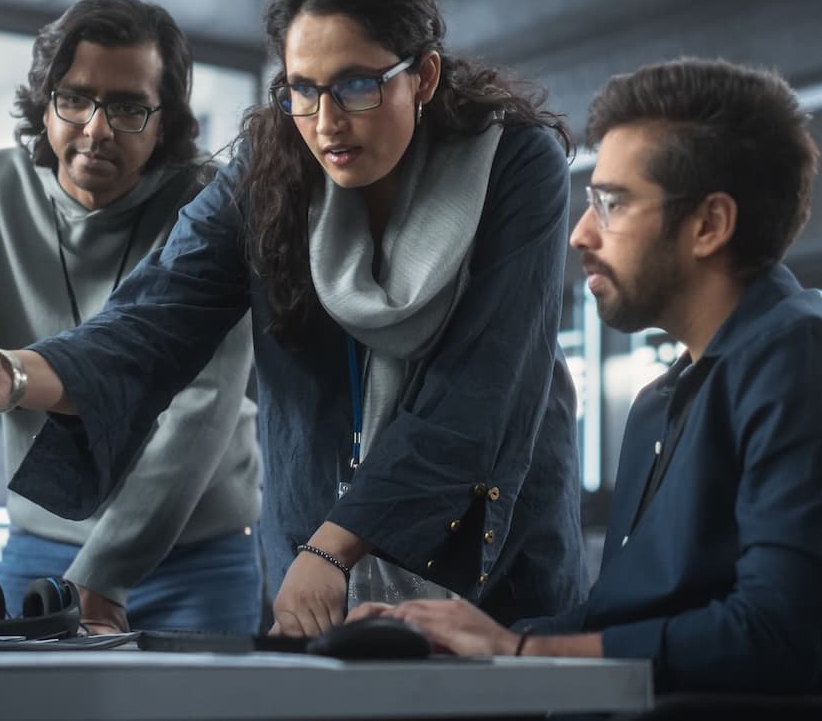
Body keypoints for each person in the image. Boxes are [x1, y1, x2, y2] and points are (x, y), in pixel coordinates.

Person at [0, 0, 589, 636]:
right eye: (302, 89)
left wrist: (335, 545)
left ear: (422, 76)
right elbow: (151, 320)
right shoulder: (272, 168)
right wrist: (13, 375)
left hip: (478, 553)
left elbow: (479, 391)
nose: (326, 121)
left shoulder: (515, 163)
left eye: (356, 85)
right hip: (311, 555)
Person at [348, 57, 822, 696]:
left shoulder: (796, 352)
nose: (579, 233)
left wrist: (519, 648)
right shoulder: (662, 399)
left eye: (612, 204)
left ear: (709, 225)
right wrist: (459, 635)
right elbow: (623, 620)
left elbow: (779, 633)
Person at [0, 0, 263, 635]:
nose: (96, 128)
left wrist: (104, 575)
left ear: (164, 121)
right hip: (39, 551)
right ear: (45, 100)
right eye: (76, 98)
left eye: (128, 107)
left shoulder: (212, 207)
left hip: (197, 555)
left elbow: (202, 408)